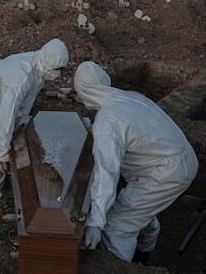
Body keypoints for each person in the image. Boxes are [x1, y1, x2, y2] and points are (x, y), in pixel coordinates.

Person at [73, 61, 198, 262]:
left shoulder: (108, 121)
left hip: (167, 172)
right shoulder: (129, 97)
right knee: (138, 209)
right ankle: (145, 251)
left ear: (83, 92)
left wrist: (96, 221)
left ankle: (120, 273)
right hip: (179, 159)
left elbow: (107, 173)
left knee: (119, 225)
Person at [0, 38, 69, 214]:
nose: (57, 75)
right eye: (57, 70)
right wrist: (3, 154)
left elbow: (23, 104)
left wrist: (21, 124)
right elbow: (5, 117)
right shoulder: (20, 78)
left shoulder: (38, 67)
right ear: (49, 63)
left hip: (0, 107)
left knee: (10, 142)